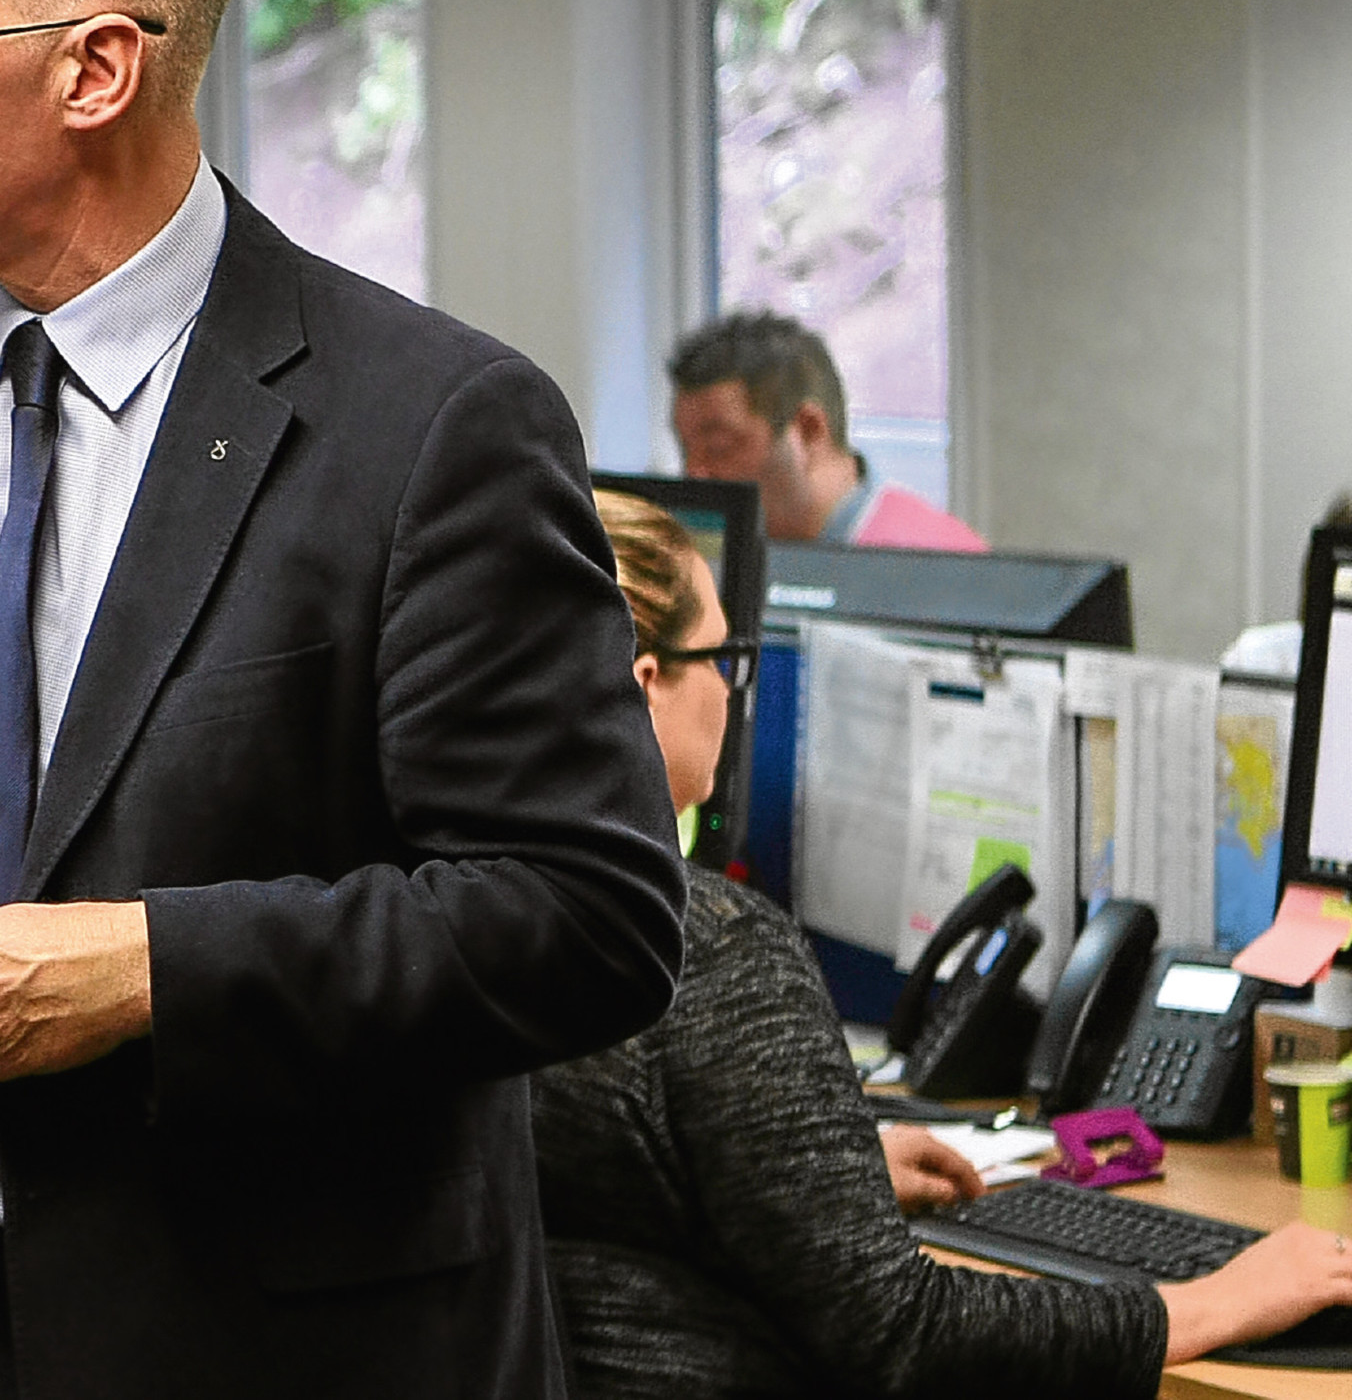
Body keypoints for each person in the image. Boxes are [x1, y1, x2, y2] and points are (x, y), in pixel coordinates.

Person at [0, 0, 687, 1399]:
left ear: (95, 69)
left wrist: (151, 969)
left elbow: (582, 916)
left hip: (267, 1337)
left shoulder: (430, 426)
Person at [536, 490, 1352, 1397]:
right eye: (723, 658)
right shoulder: (705, 951)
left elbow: (612, 1187)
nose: (733, 687)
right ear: (645, 683)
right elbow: (908, 1336)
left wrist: (819, 1182)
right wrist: (1209, 1303)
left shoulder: (472, 919)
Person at [668, 309, 985, 549]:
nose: (694, 473)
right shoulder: (716, 560)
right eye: (685, 449)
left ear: (809, 431)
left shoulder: (937, 561)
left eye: (720, 448)